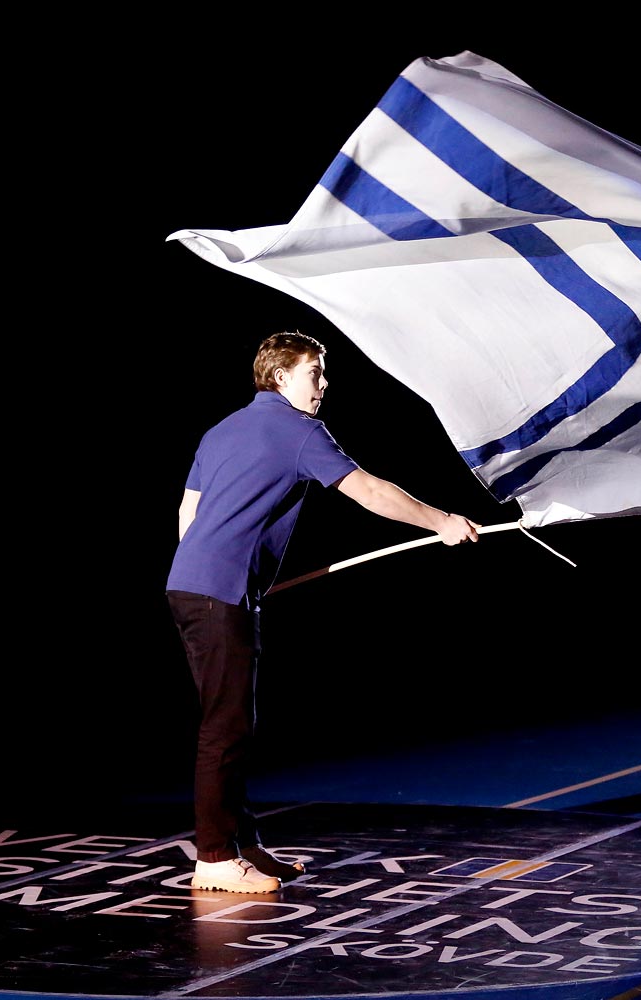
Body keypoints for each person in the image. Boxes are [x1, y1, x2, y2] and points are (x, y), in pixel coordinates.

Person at [166, 331, 480, 893]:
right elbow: (370, 491)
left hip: (193, 588)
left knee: (233, 722)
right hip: (219, 593)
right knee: (225, 727)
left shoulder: (222, 429)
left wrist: (211, 568)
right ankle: (213, 857)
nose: (324, 384)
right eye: (316, 372)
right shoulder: (298, 431)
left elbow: (188, 512)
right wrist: (442, 522)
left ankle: (244, 845)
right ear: (281, 377)